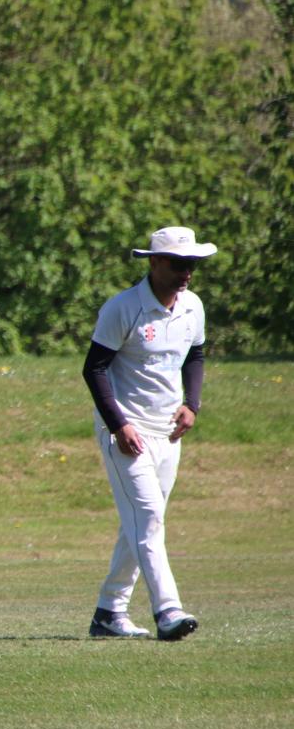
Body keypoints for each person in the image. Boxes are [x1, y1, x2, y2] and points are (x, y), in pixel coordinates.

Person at [81, 226, 212, 642]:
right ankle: (168, 611)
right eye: (177, 264)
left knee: (139, 525)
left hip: (168, 435)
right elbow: (94, 368)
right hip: (128, 433)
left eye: (191, 264)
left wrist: (192, 404)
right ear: (154, 263)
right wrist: (119, 425)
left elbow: (195, 354)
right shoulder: (123, 308)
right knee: (149, 520)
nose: (186, 272)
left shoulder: (192, 306)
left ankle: (109, 612)